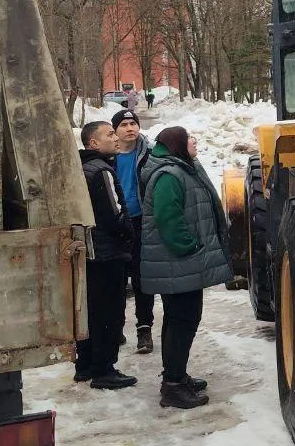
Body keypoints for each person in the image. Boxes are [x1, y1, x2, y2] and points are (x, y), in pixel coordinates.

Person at [139, 126, 230, 410]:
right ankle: (173, 387)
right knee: (182, 322)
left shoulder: (181, 168)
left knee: (179, 321)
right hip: (178, 263)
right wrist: (190, 247)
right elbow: (169, 220)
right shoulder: (169, 175)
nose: (194, 140)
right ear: (177, 144)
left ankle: (176, 376)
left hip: (180, 265)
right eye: (188, 137)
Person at [75, 121, 137, 390]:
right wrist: (128, 234)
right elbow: (114, 214)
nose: (116, 138)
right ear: (94, 144)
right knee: (109, 313)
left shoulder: (80, 168)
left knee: (89, 311)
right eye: (110, 134)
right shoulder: (102, 171)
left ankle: (85, 365)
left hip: (89, 254)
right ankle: (104, 370)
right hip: (107, 254)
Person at [112, 109, 155, 354]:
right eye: (124, 125)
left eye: (133, 123)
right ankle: (116, 327)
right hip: (116, 224)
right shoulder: (108, 156)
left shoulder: (148, 154)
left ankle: (144, 328)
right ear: (115, 130)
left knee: (141, 279)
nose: (130, 128)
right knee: (117, 279)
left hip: (140, 221)